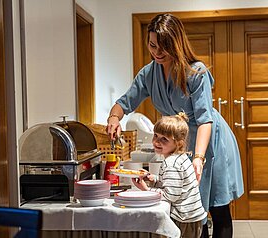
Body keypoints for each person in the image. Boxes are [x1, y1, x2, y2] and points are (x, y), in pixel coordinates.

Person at [106, 13, 244, 238]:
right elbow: (124, 102)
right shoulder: (148, 74)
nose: (157, 53)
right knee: (187, 210)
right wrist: (114, 118)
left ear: (176, 44)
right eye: (152, 46)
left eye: (164, 47)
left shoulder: (195, 72)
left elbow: (204, 120)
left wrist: (198, 158)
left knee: (217, 207)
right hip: (180, 145)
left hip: (209, 141)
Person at [131, 113, 207, 238]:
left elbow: (171, 195)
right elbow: (174, 184)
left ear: (179, 143)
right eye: (156, 135)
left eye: (164, 139)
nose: (157, 141)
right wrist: (153, 178)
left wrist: (146, 190)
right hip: (190, 217)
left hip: (184, 219)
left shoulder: (171, 163)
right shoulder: (180, 157)